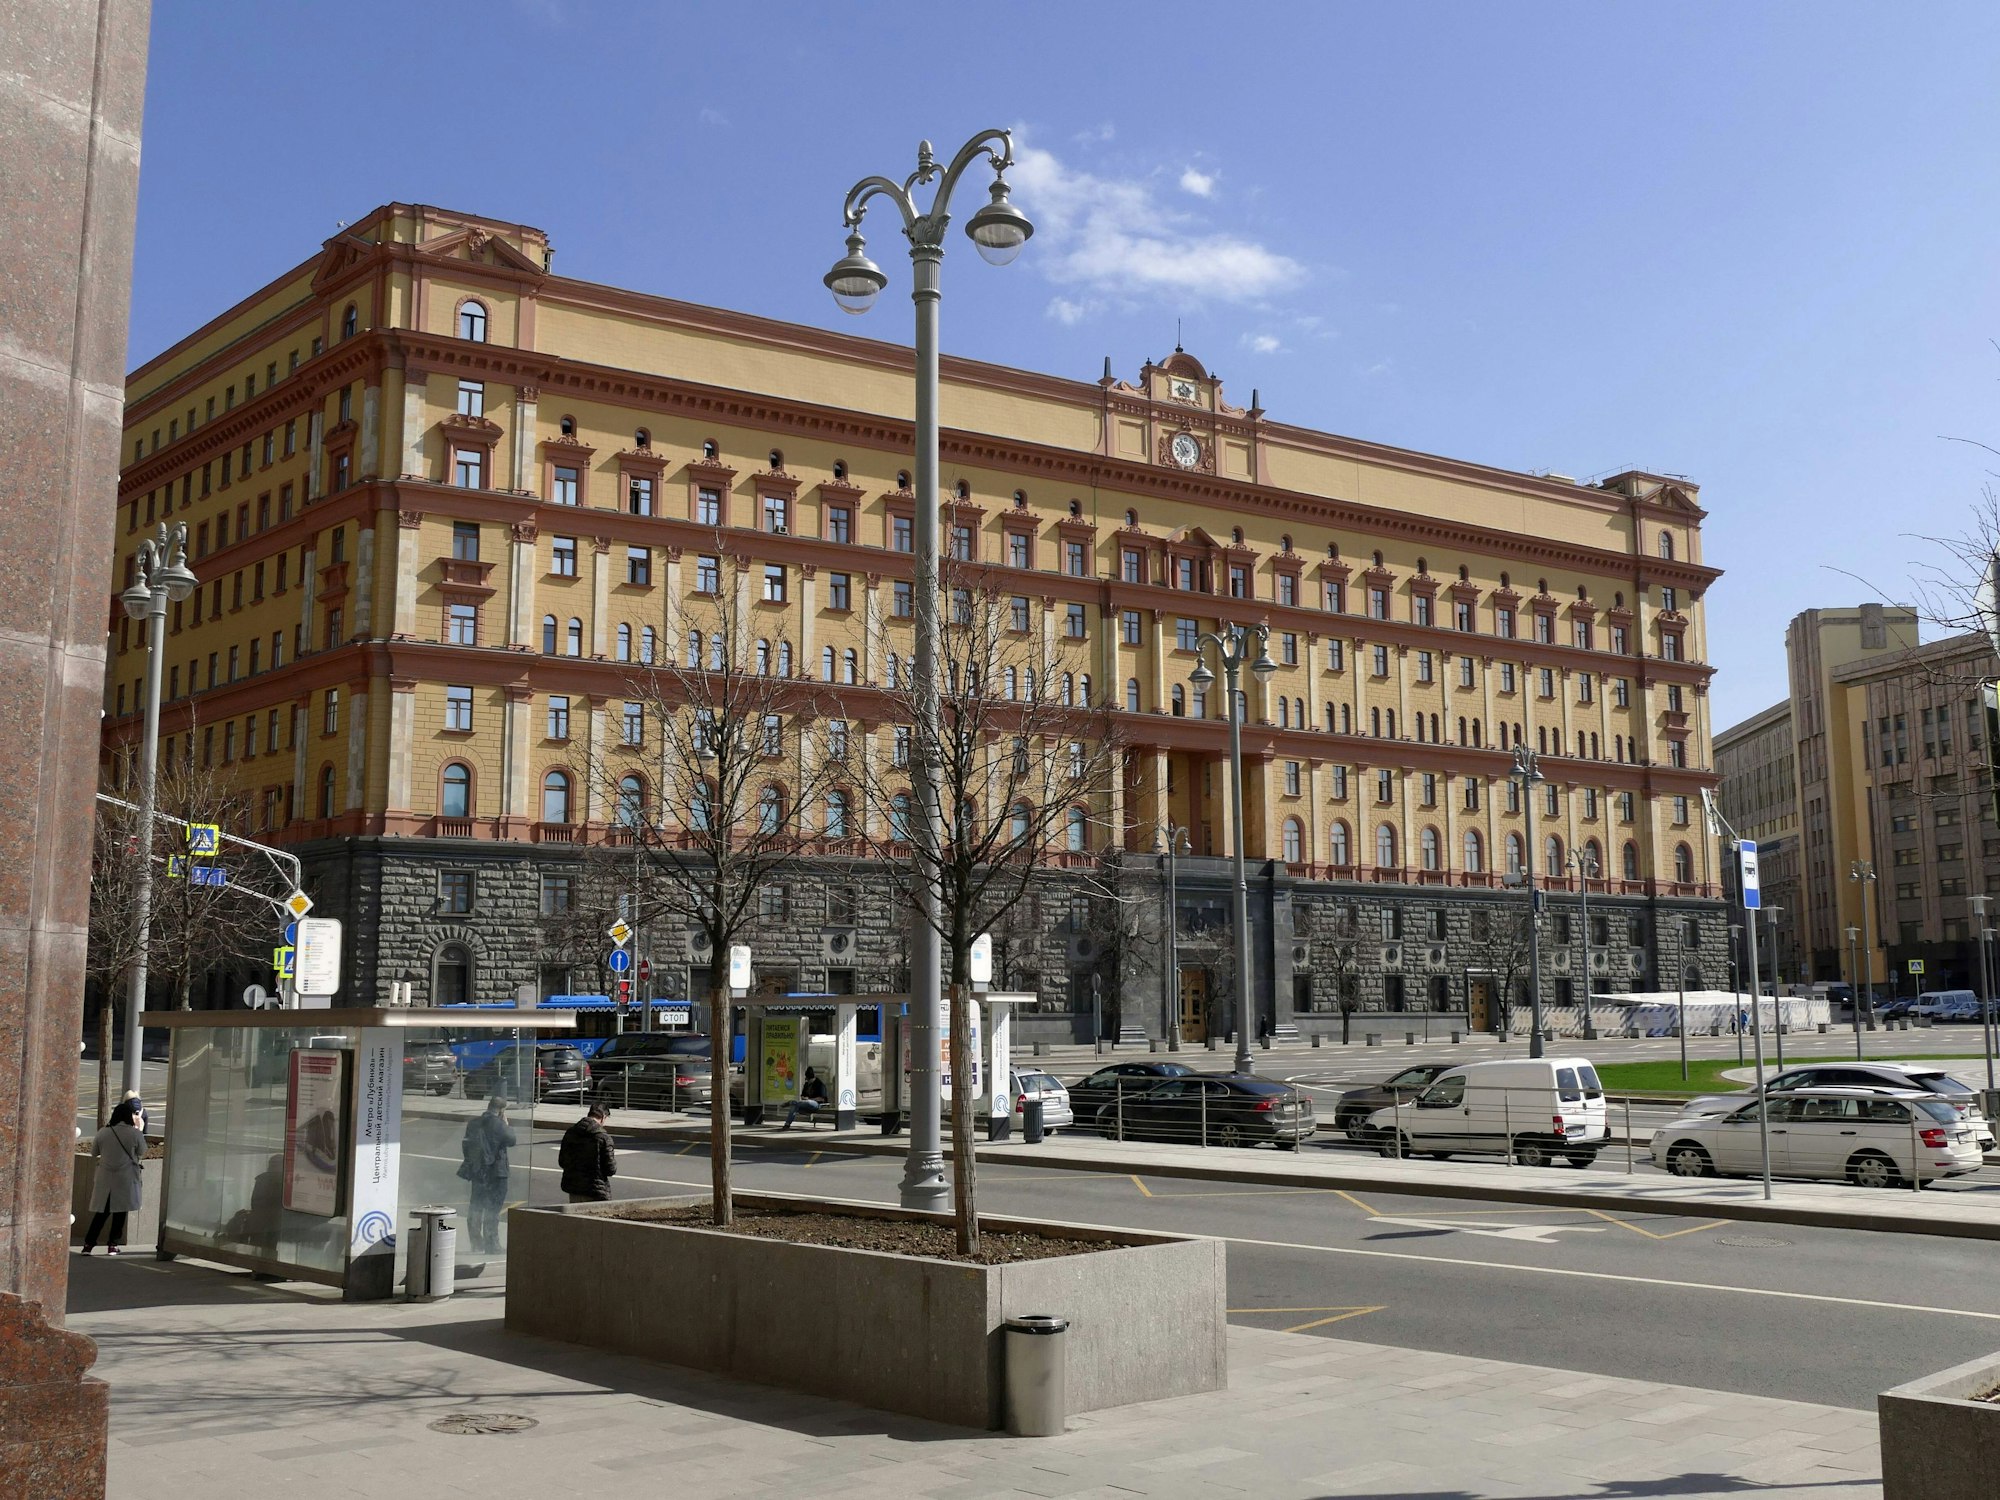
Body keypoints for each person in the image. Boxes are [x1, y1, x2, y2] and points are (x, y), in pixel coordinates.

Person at [82, 1096, 147, 1255]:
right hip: (125, 1177)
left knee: (101, 1213)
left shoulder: (103, 1132)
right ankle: (113, 1245)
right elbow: (142, 1151)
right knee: (120, 1212)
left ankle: (88, 1245)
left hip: (105, 1177)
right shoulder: (134, 1133)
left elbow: (94, 1153)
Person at [458, 1095, 516, 1253]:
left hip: (478, 1171)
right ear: (501, 1110)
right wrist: (506, 1124)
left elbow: (466, 1145)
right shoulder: (500, 1124)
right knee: (493, 1209)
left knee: (476, 1207)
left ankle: (476, 1243)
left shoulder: (474, 1123)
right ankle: (492, 1244)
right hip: (497, 1172)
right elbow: (512, 1140)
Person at [558, 1103, 617, 1203]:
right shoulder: (603, 1138)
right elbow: (610, 1169)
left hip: (574, 1188)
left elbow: (562, 1161)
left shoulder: (571, 1133)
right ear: (603, 1117)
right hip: (596, 1191)